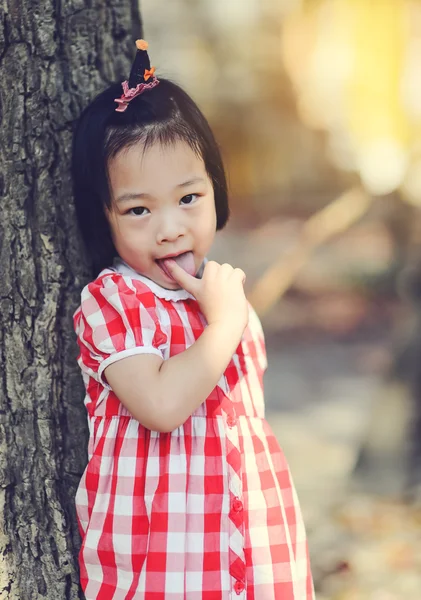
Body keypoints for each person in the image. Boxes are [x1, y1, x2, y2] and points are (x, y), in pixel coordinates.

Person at [72, 39, 315, 600]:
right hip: (163, 556)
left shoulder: (223, 295)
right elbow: (160, 407)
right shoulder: (114, 302)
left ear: (215, 190)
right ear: (102, 218)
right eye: (138, 210)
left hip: (254, 539)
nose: (170, 228)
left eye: (188, 198)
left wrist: (227, 314)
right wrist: (224, 324)